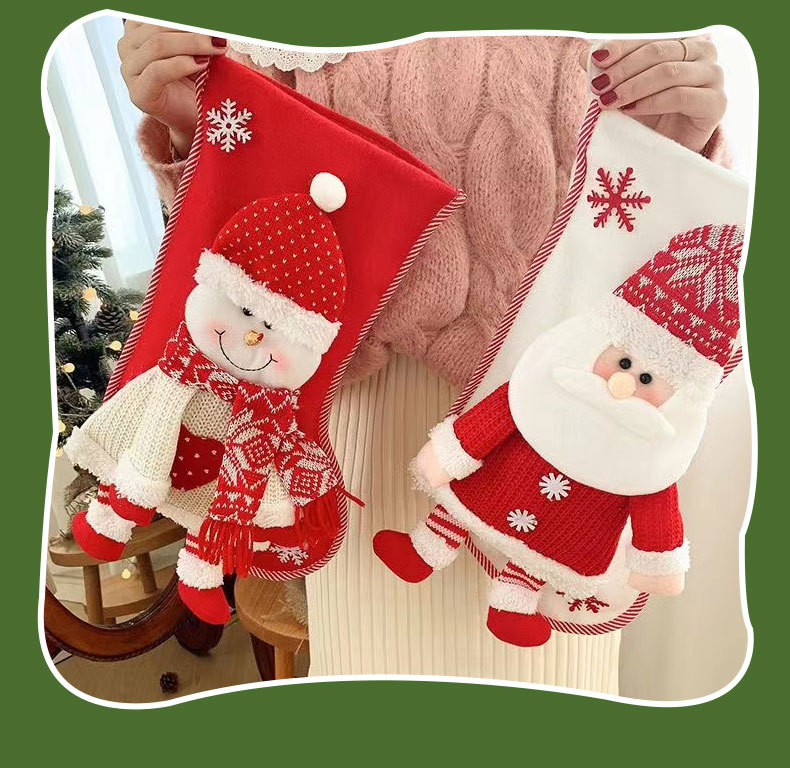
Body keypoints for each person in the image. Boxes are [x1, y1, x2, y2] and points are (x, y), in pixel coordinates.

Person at [121, 24, 733, 686]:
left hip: (564, 428)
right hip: (360, 420)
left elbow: (640, 254)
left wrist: (675, 149)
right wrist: (200, 124)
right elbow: (257, 246)